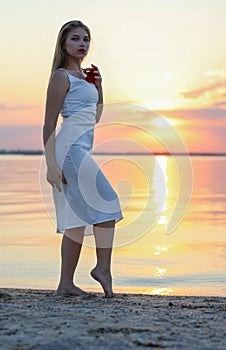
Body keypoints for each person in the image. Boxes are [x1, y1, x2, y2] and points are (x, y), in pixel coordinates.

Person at [43, 20, 123, 298]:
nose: (82, 44)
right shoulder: (60, 77)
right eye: (76, 39)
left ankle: (65, 284)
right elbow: (48, 124)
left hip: (82, 149)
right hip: (69, 151)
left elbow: (95, 117)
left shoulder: (85, 77)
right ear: (64, 43)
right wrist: (51, 165)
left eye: (86, 39)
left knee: (76, 220)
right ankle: (103, 269)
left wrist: (99, 86)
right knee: (110, 202)